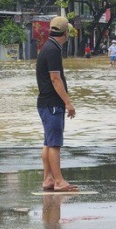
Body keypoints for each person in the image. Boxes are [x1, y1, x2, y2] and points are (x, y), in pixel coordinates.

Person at [36, 16, 77, 192]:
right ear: (66, 33)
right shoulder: (53, 50)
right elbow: (55, 78)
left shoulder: (49, 46)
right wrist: (68, 102)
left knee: (48, 142)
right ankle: (59, 181)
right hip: (52, 103)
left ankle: (48, 179)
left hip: (45, 102)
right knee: (54, 144)